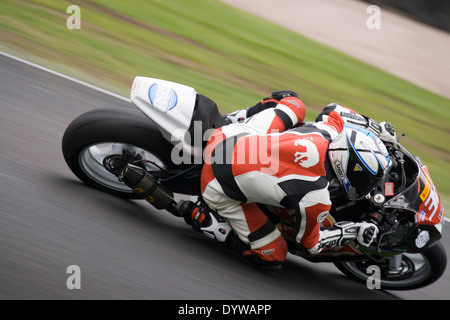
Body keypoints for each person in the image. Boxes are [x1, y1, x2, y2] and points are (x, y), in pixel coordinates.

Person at [179, 91, 396, 270]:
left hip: (231, 134)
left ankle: (236, 116)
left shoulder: (327, 131)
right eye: (366, 179)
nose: (369, 185)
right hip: (216, 184)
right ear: (349, 169)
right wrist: (354, 231)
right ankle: (213, 225)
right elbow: (310, 243)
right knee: (275, 255)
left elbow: (335, 109)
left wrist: (377, 128)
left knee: (293, 101)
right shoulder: (317, 197)